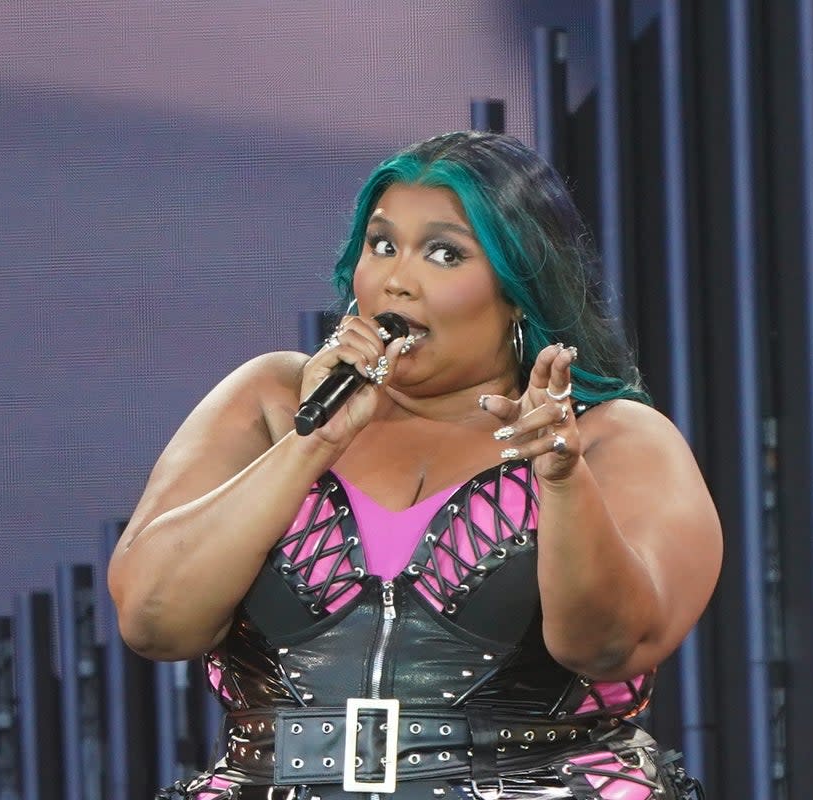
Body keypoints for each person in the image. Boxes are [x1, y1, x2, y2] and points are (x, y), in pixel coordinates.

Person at [108, 130, 722, 800]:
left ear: (519, 288)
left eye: (443, 252)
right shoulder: (270, 400)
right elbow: (154, 621)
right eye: (381, 245)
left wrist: (563, 483)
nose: (397, 279)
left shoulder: (612, 440)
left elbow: (607, 647)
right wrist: (313, 440)